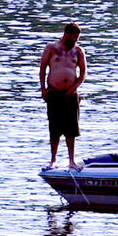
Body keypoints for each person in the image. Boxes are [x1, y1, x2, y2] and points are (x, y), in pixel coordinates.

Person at [39, 22, 87, 169]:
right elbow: (43, 69)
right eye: (74, 37)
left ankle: (71, 160)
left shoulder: (78, 51)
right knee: (54, 128)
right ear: (66, 34)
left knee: (71, 130)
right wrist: (43, 89)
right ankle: (53, 160)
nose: (75, 40)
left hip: (70, 94)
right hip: (54, 92)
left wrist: (74, 88)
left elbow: (83, 73)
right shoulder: (51, 48)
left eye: (77, 38)